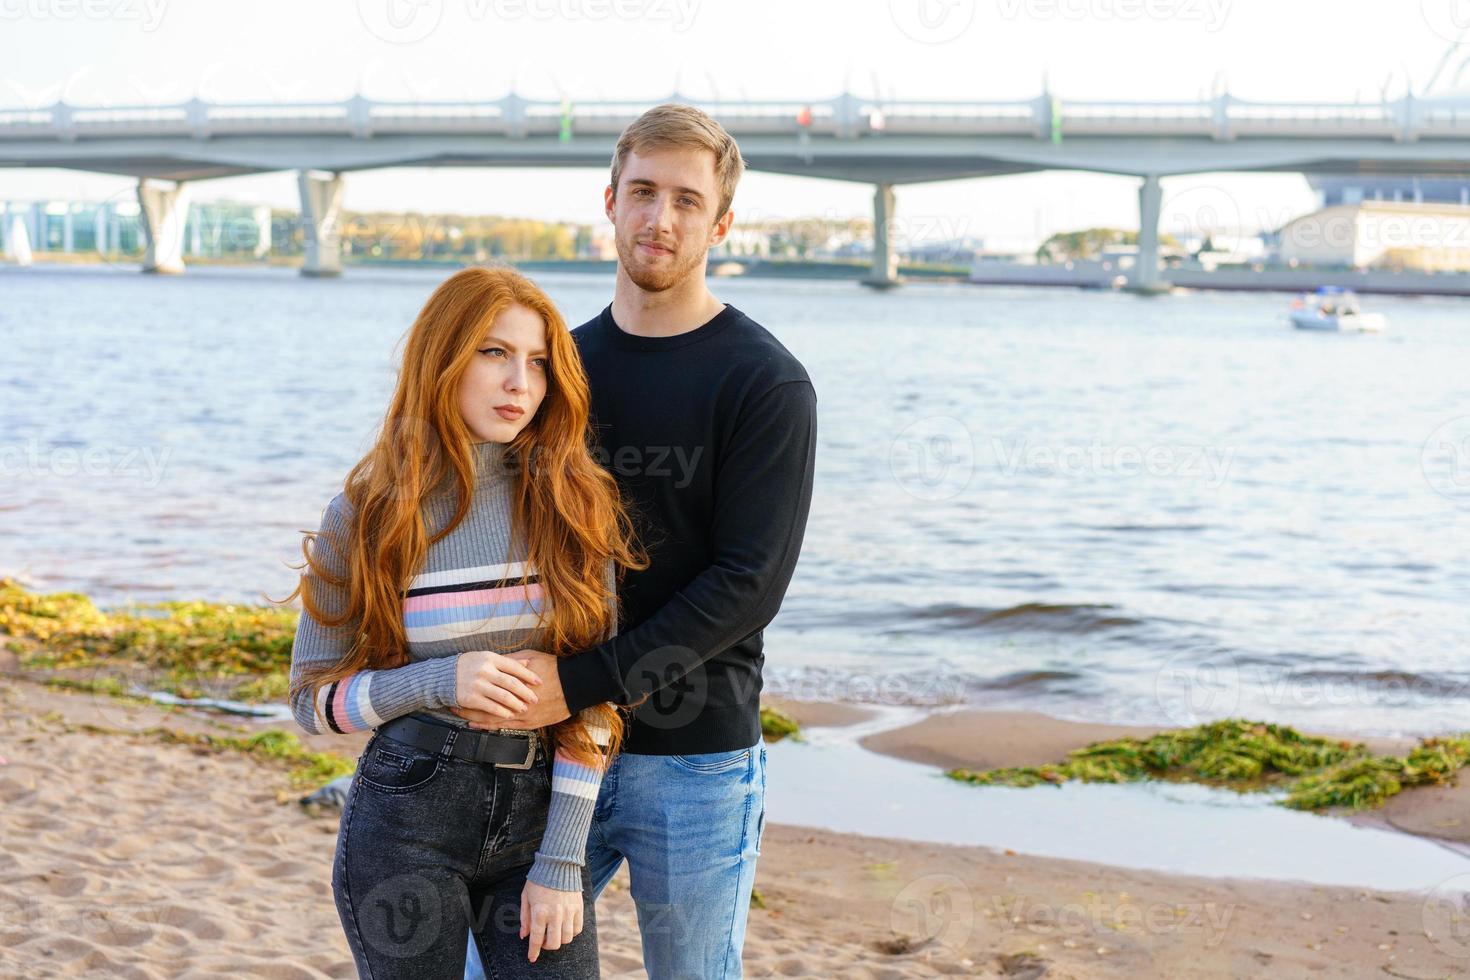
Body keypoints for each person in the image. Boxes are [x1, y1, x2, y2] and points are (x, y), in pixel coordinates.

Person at [457, 103, 819, 978]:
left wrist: (577, 683)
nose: (662, 219)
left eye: (687, 201)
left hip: (692, 762)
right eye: (644, 193)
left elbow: (748, 585)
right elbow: (486, 532)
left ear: (720, 223)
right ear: (609, 201)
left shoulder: (766, 382)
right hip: (545, 754)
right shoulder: (556, 373)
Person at [286, 266, 645, 978]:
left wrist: (563, 860)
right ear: (443, 357)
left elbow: (594, 703)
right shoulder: (368, 515)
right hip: (405, 818)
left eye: (538, 363)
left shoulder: (574, 506)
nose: (520, 382)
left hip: (537, 821)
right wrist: (438, 680)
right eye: (494, 352)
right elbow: (311, 702)